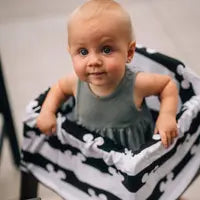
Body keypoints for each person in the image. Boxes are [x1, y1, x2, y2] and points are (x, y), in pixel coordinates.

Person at [36, 0, 178, 151]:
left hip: (132, 156)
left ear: (129, 53)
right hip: (93, 153)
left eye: (106, 50)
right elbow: (59, 88)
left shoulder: (136, 84)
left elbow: (167, 85)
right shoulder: (75, 82)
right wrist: (47, 111)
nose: (94, 61)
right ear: (71, 52)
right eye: (83, 52)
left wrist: (167, 116)